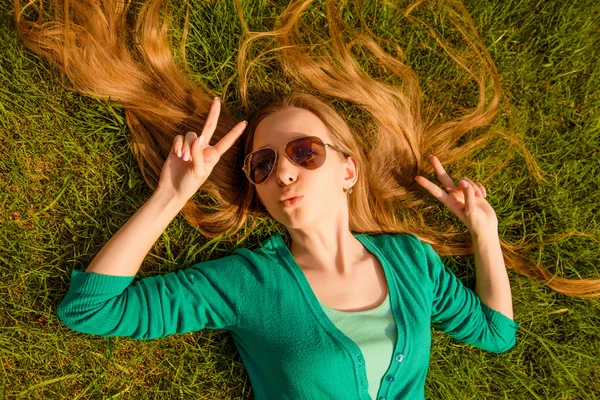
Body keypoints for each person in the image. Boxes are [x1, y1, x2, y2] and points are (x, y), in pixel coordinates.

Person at [14, 0, 599, 398]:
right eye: (262, 165)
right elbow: (91, 310)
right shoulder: (248, 283)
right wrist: (171, 194)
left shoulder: (412, 263)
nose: (283, 172)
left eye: (304, 152)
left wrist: (484, 232)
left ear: (348, 168)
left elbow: (495, 334)